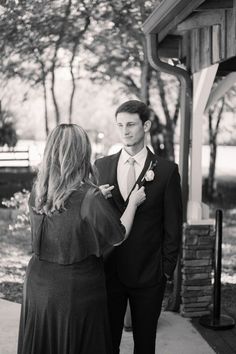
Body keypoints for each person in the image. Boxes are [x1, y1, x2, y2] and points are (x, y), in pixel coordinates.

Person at [17, 123, 146, 354]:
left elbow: (64, 217)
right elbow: (119, 235)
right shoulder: (89, 197)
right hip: (74, 291)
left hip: (38, 285)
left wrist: (96, 197)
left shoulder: (39, 190)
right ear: (81, 153)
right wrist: (133, 203)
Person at [95, 100, 183, 354]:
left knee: (145, 345)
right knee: (107, 343)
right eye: (120, 125)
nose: (125, 131)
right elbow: (95, 221)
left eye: (131, 124)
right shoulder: (101, 167)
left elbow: (173, 227)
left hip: (149, 276)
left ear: (146, 125)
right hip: (109, 274)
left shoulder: (166, 171)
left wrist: (164, 271)